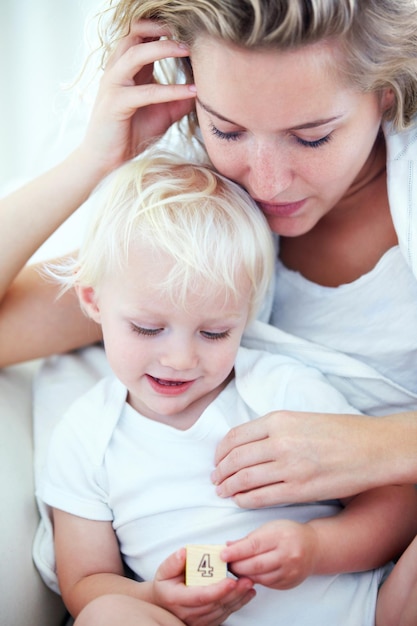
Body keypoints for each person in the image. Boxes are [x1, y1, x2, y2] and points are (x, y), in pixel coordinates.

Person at [1, 0, 417, 623]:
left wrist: (383, 444)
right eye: (227, 129)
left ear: (385, 93)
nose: (268, 182)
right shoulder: (192, 233)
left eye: (312, 136)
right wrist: (91, 162)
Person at [35, 150, 417, 626]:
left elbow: (397, 502)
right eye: (148, 328)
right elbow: (85, 581)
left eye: (214, 333)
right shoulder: (85, 436)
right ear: (93, 300)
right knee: (106, 614)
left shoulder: (279, 389)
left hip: (369, 614)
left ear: (246, 314)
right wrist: (157, 597)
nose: (180, 359)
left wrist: (318, 549)